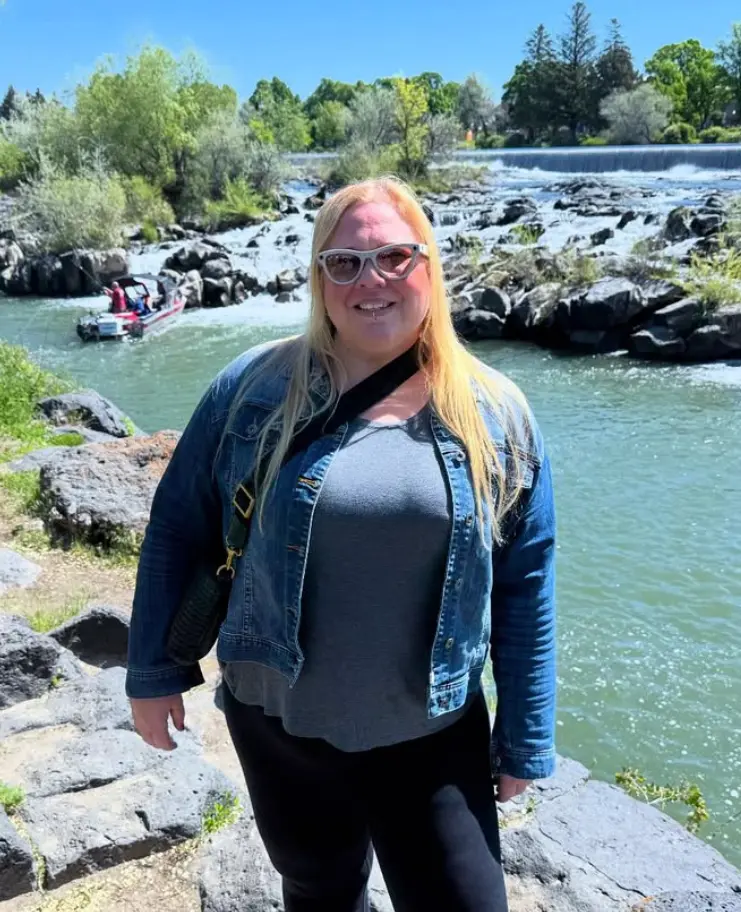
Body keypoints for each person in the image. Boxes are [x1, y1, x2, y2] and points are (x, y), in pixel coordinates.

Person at [126, 177, 557, 912]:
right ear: (318, 279)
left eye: (393, 256)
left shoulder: (495, 414)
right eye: (344, 263)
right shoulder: (253, 389)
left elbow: (527, 584)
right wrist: (151, 671)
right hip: (278, 721)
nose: (371, 281)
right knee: (319, 890)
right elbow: (177, 527)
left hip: (432, 729)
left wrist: (525, 737)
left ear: (429, 267)